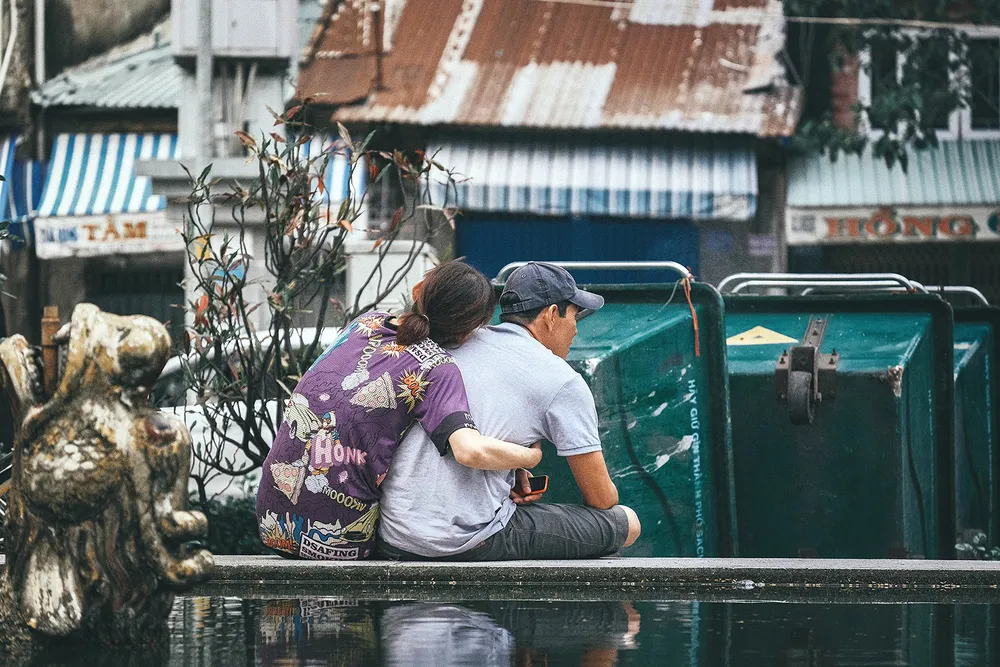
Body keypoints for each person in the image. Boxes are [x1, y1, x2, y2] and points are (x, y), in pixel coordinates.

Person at [256, 261, 543, 560]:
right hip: (339, 538)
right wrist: (530, 456)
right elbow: (469, 452)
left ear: (418, 290)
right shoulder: (438, 368)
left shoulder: (364, 323)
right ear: (466, 334)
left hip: (271, 519)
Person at [377, 262, 641, 561]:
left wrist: (509, 470)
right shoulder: (562, 379)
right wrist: (528, 459)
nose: (577, 328)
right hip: (463, 541)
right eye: (575, 315)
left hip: (393, 535)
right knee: (626, 522)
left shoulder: (459, 340)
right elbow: (600, 498)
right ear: (552, 315)